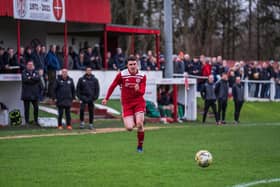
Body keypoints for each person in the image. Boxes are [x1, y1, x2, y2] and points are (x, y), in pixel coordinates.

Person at [102, 55, 146, 153]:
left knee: (139, 124)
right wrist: (106, 98)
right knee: (129, 128)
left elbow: (142, 92)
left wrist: (138, 90)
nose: (133, 66)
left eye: (134, 64)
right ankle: (132, 118)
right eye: (130, 64)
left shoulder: (142, 75)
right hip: (126, 104)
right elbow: (113, 86)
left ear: (137, 64)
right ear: (127, 65)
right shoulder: (121, 75)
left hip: (138, 102)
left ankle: (140, 146)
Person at [21, 60, 42, 126]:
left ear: (33, 66)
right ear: (27, 66)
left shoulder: (36, 72)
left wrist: (30, 78)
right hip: (26, 93)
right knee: (26, 109)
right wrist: (33, 79)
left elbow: (38, 79)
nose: (30, 66)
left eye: (31, 65)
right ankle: (27, 122)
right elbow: (25, 80)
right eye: (29, 65)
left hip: (34, 93)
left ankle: (36, 121)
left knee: (36, 108)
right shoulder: (24, 72)